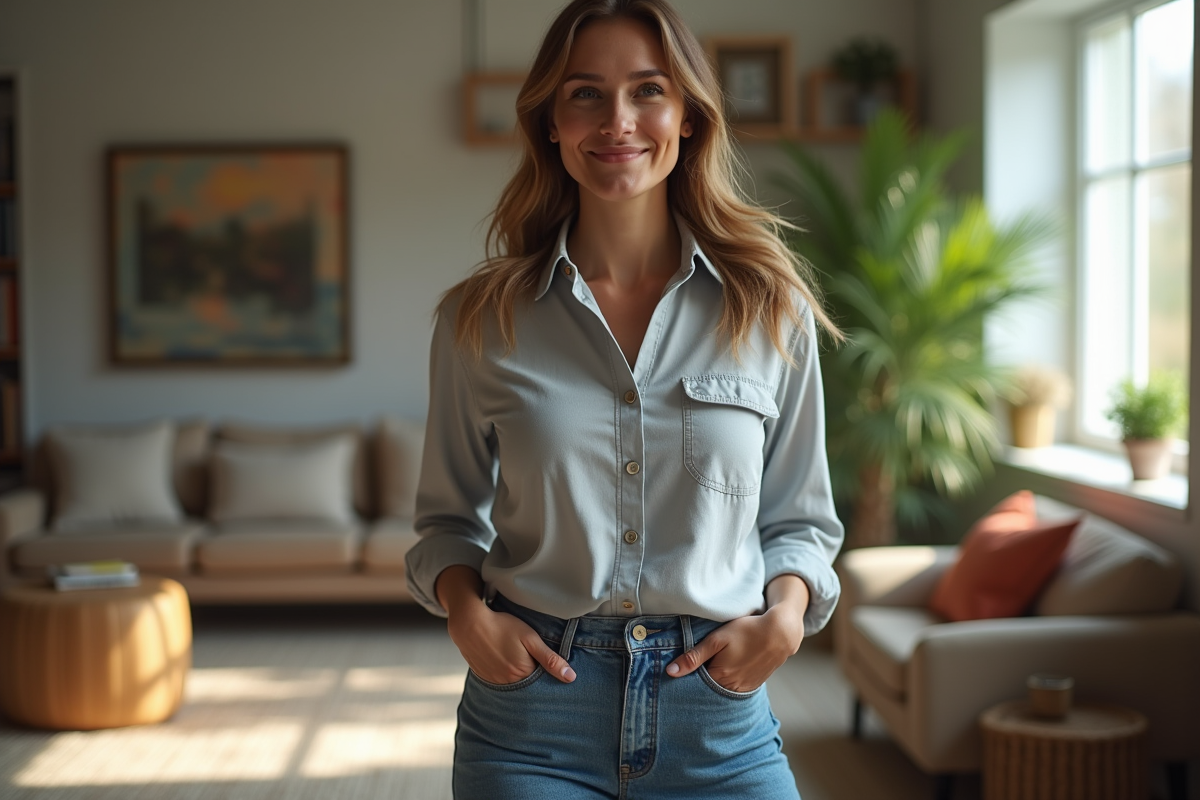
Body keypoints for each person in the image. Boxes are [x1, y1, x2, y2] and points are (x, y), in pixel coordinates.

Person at [405, 1, 845, 797]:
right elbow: (445, 522)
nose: (617, 121)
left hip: (718, 717)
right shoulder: (480, 319)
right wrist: (468, 616)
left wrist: (785, 618)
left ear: (687, 116)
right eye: (585, 93)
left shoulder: (768, 308)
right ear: (550, 121)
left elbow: (800, 522)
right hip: (532, 717)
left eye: (648, 90)